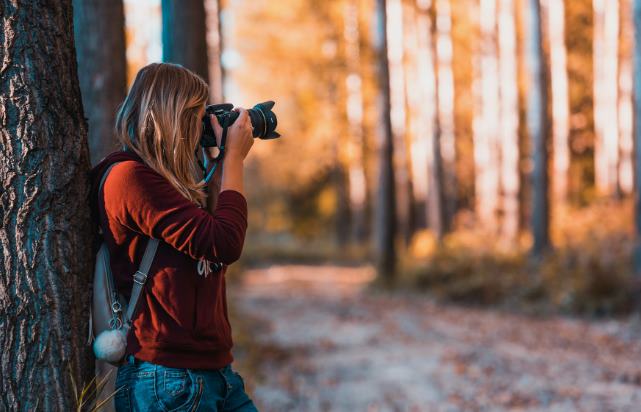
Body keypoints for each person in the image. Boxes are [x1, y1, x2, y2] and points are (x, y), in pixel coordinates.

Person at [89, 62, 258, 411]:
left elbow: (213, 234)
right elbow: (224, 243)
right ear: (174, 116)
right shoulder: (129, 178)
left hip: (215, 373)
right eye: (197, 116)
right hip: (166, 378)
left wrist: (218, 158)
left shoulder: (172, 183)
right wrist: (234, 160)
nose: (202, 127)